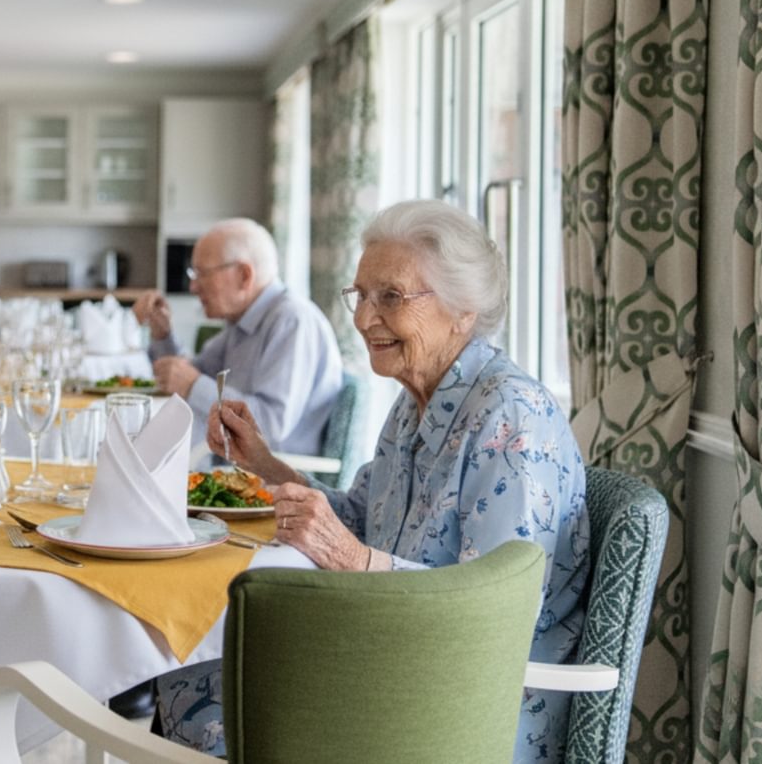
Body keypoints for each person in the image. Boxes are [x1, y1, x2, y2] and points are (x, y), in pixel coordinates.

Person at [155, 200, 589, 763]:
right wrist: (265, 464)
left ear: (464, 310)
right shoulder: (414, 404)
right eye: (360, 295)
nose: (362, 319)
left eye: (390, 297)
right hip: (397, 653)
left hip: (468, 703)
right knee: (191, 674)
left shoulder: (511, 419)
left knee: (220, 703)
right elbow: (359, 515)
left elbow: (495, 613)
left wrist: (354, 561)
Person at [132, 217, 341, 458]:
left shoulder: (292, 320)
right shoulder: (243, 321)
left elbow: (271, 426)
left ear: (244, 275)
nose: (193, 287)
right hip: (226, 461)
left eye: (202, 274)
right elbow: (188, 375)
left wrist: (192, 384)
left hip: (270, 481)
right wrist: (162, 334)